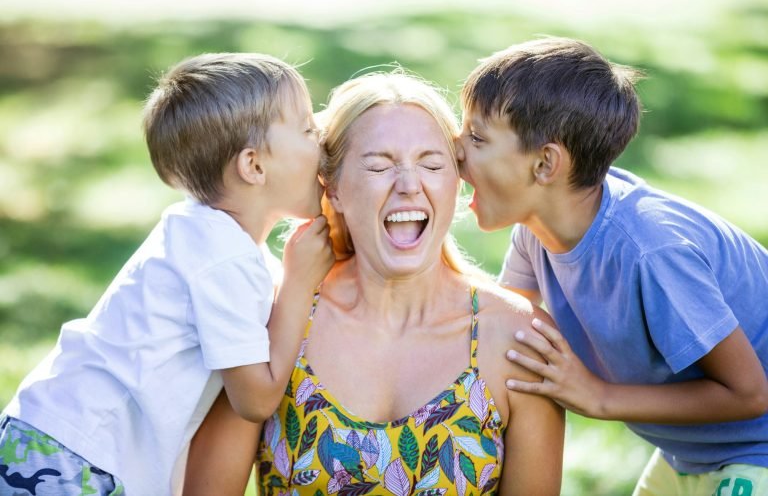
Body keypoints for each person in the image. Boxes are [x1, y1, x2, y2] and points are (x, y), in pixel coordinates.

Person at [182, 72, 565, 496]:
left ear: (456, 184)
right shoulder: (272, 323)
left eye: (432, 164)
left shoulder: (520, 342)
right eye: (379, 166)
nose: (408, 185)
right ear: (336, 189)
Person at [0, 53, 334, 496]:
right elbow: (254, 399)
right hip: (71, 458)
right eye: (309, 129)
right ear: (253, 166)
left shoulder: (207, 237)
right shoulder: (222, 260)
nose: (323, 140)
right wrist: (299, 283)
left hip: (55, 437)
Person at [457, 36, 768, 495]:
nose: (455, 148)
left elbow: (750, 393)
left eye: (476, 137)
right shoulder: (535, 233)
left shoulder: (649, 252)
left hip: (755, 450)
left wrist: (598, 397)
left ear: (546, 163)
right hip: (689, 454)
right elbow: (498, 332)